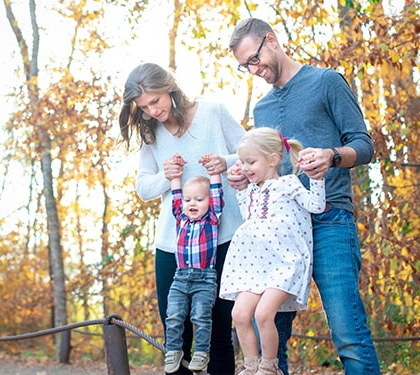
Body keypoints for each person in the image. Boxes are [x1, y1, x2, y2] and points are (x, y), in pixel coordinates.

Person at [227, 18, 381, 375]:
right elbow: (271, 174)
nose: (253, 69)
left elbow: (365, 145)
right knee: (270, 345)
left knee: (348, 332)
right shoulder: (262, 109)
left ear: (271, 40)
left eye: (254, 59)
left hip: (329, 221)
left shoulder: (326, 81)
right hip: (276, 237)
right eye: (244, 66)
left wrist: (331, 155)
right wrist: (246, 178)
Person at [119, 62, 245, 375]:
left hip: (221, 241)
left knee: (217, 334)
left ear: (169, 87)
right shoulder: (152, 134)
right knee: (176, 334)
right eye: (144, 106)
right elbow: (143, 187)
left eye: (155, 101)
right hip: (173, 247)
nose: (152, 111)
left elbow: (251, 153)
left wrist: (224, 162)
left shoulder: (212, 111)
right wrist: (166, 176)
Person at [219, 127, 325, 375]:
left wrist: (318, 179)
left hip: (284, 262)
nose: (244, 167)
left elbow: (316, 206)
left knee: (264, 315)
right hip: (254, 263)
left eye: (250, 162)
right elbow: (250, 216)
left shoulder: (289, 183)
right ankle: (251, 365)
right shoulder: (253, 189)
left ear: (273, 159)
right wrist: (241, 192)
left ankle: (269, 366)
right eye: (242, 161)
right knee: (240, 313)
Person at [163, 153, 224, 373]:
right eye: (189, 200)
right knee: (174, 315)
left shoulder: (212, 218)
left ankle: (201, 352)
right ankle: (173, 350)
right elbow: (176, 195)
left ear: (209, 202)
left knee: (201, 316)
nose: (192, 204)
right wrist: (176, 174)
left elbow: (217, 193)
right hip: (180, 277)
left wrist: (214, 173)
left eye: (199, 200)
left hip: (205, 279)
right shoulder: (180, 218)